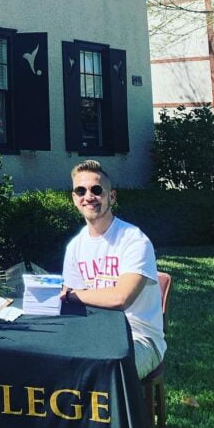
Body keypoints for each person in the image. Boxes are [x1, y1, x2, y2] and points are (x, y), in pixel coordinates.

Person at [61, 160, 166, 379]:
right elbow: (75, 308)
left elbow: (121, 297)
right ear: (74, 199)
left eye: (96, 190)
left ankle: (126, 415)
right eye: (80, 191)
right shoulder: (75, 246)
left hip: (139, 339)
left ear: (112, 196)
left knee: (103, 375)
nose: (88, 196)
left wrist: (71, 295)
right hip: (94, 334)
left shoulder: (134, 240)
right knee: (54, 367)